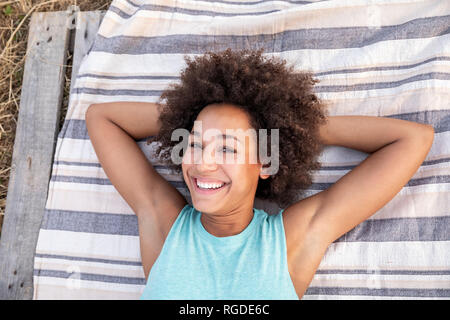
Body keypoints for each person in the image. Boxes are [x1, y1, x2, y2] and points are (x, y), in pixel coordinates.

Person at [85, 48, 434, 299]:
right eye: (195, 144)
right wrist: (185, 118)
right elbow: (101, 118)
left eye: (227, 149)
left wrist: (291, 128)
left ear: (266, 161)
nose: (203, 164)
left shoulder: (290, 241)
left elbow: (413, 140)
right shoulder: (165, 225)